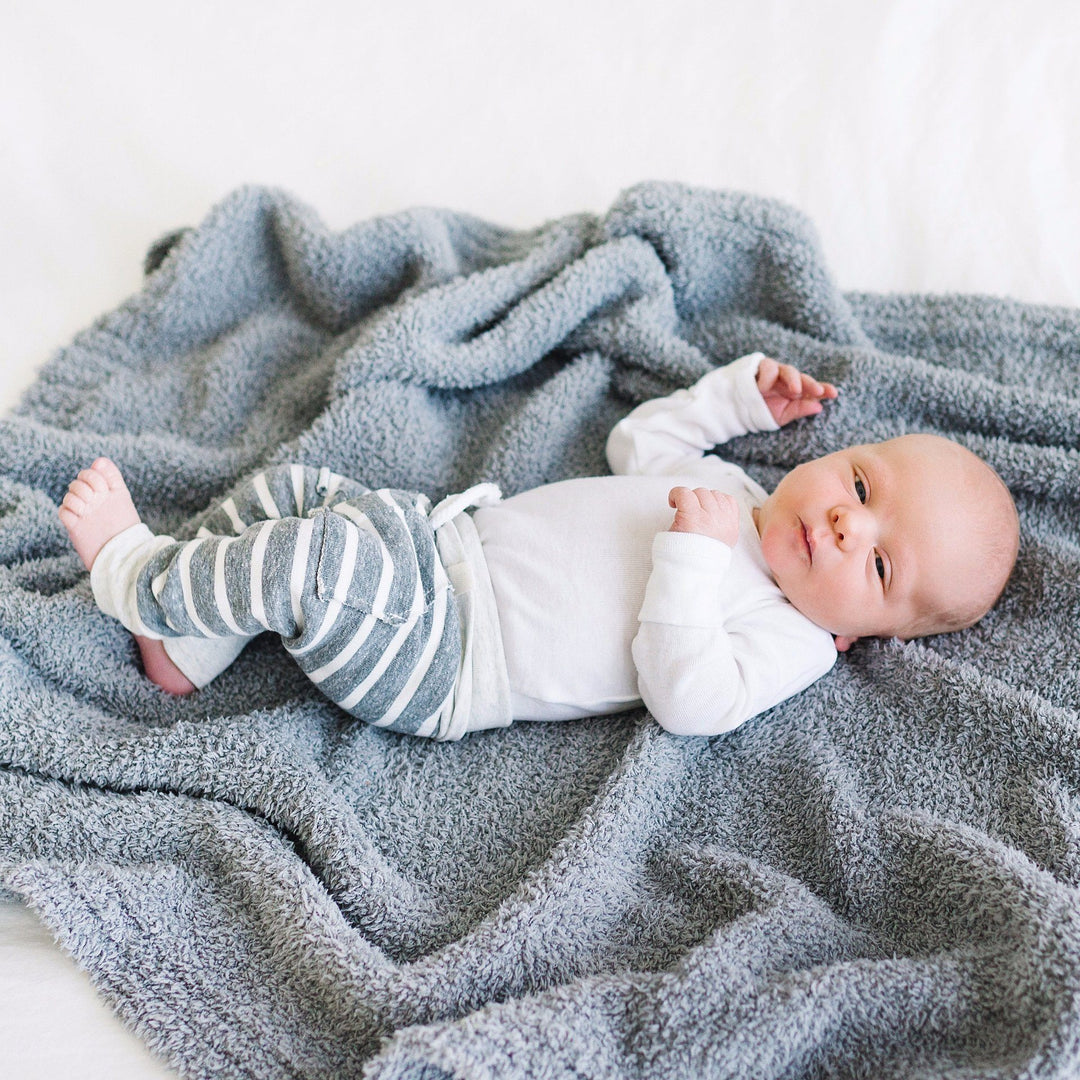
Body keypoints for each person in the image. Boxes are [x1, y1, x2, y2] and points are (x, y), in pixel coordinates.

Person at [57, 352, 1020, 740]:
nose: (850, 524)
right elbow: (636, 449)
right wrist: (731, 402)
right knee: (298, 495)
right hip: (434, 554)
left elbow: (696, 704)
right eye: (860, 485)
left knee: (317, 565)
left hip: (448, 659)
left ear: (865, 633)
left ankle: (136, 580)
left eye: (881, 565)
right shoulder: (738, 491)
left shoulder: (798, 638)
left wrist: (693, 560)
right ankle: (185, 651)